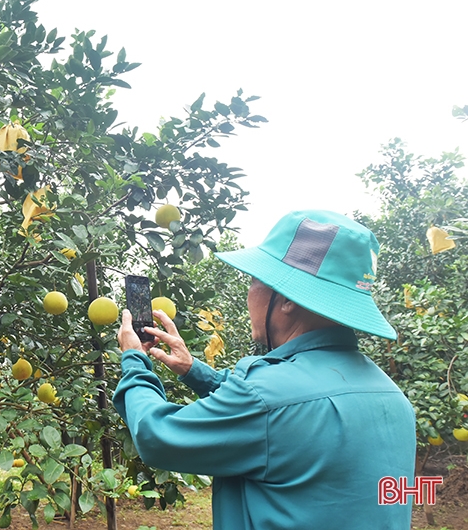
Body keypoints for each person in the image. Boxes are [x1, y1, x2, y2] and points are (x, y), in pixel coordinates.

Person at [113, 210, 417, 530]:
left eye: (255, 281)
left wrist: (135, 360)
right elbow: (281, 416)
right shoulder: (394, 399)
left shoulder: (268, 399)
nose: (249, 294)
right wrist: (192, 370)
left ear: (285, 299)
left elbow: (155, 436)